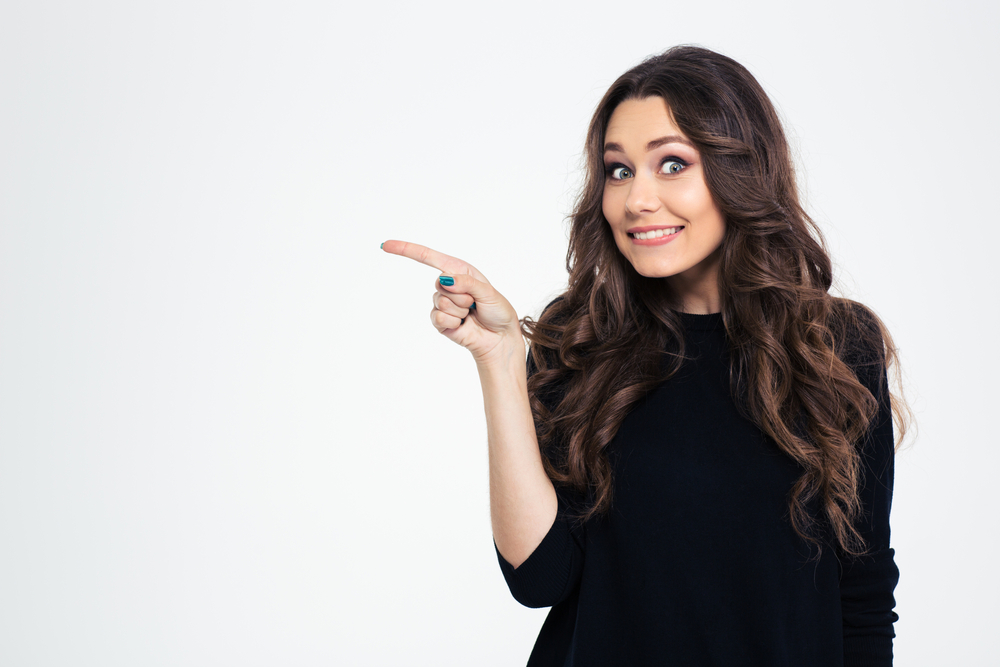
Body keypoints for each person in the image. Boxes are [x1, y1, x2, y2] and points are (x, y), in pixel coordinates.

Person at [382, 45, 910, 667]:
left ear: (740, 171)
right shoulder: (579, 340)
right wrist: (498, 359)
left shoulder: (838, 347)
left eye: (672, 164)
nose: (637, 199)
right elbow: (539, 578)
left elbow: (863, 597)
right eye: (619, 170)